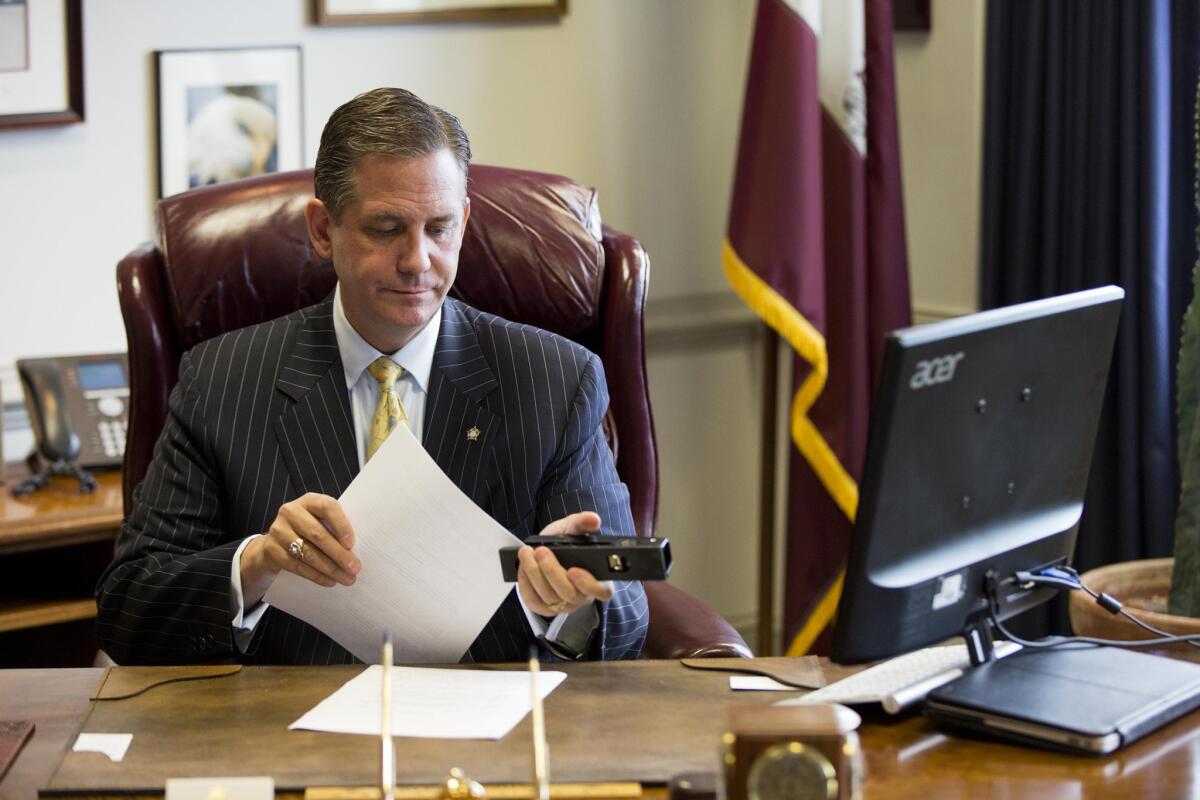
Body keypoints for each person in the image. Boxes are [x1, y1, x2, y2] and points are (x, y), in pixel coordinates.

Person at [95, 88, 649, 665]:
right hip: (289, 732)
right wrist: (255, 566)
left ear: (464, 222)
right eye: (386, 229)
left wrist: (565, 603)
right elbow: (128, 609)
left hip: (489, 728)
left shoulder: (556, 379)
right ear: (321, 229)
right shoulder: (223, 379)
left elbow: (628, 618)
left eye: (439, 228)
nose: (417, 261)